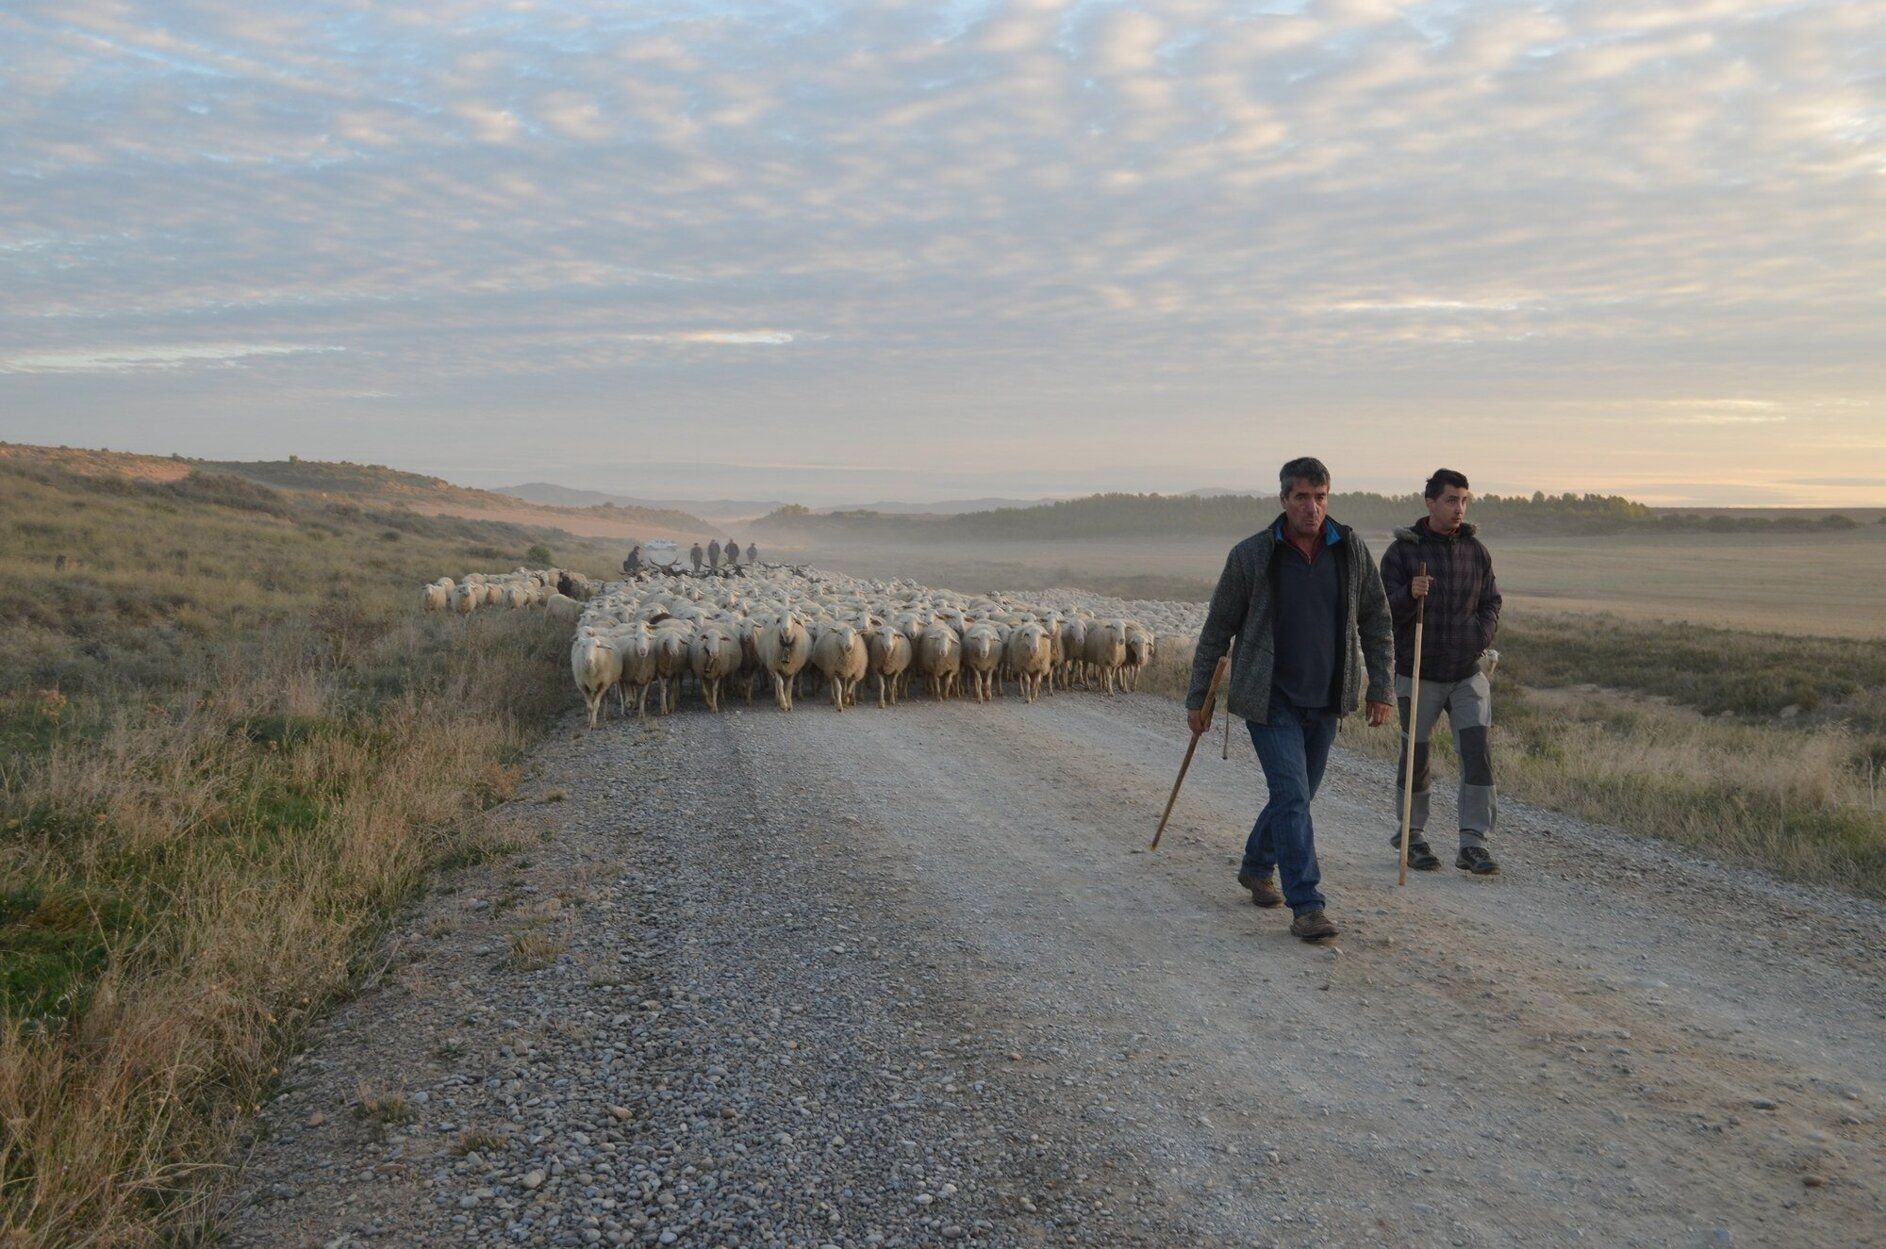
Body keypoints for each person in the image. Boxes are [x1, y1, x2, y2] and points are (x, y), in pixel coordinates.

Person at [1185, 457, 1395, 941]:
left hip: (1326, 697)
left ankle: (1257, 865)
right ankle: (1307, 906)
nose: (1312, 507)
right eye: (1301, 497)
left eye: (1320, 497)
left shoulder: (1350, 550)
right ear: (1283, 500)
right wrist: (1200, 699)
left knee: (1296, 796)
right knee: (1293, 795)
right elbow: (1217, 631)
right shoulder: (1252, 555)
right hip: (1270, 697)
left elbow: (1377, 621)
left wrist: (1381, 687)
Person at [1379, 469, 1504, 875]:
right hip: (1418, 672)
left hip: (1467, 673)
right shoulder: (1402, 553)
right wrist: (1408, 594)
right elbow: (1378, 610)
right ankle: (1412, 836)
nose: (1459, 508)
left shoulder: (1476, 551)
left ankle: (1473, 843)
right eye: (1451, 500)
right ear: (1430, 502)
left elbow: (1491, 602)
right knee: (1415, 756)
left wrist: (1479, 635)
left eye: (1464, 500)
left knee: (1477, 755)